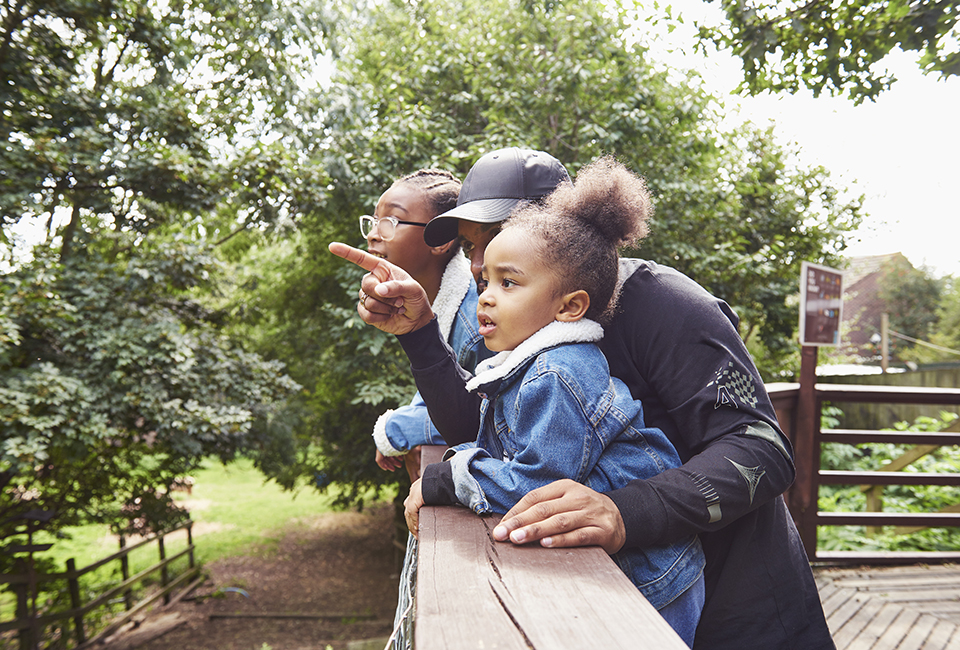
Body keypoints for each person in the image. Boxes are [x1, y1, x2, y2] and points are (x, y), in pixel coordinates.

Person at [329, 147, 835, 649]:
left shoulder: (667, 304)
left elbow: (761, 451)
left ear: (563, 228)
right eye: (469, 247)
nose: (480, 265)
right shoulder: (529, 323)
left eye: (496, 235)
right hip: (622, 606)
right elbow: (477, 429)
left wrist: (622, 512)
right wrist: (419, 333)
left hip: (742, 610)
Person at [402, 157, 705, 646]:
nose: (483, 292)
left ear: (569, 305)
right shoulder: (528, 355)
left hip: (653, 579)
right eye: (482, 275)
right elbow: (496, 437)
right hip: (612, 569)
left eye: (508, 281)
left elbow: (540, 479)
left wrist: (446, 478)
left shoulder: (558, 370)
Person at [360, 168, 489, 473]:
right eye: (374, 221)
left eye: (391, 222)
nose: (374, 234)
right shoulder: (438, 302)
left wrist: (395, 429)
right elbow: (440, 382)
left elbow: (487, 413)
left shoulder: (477, 319)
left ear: (440, 240)